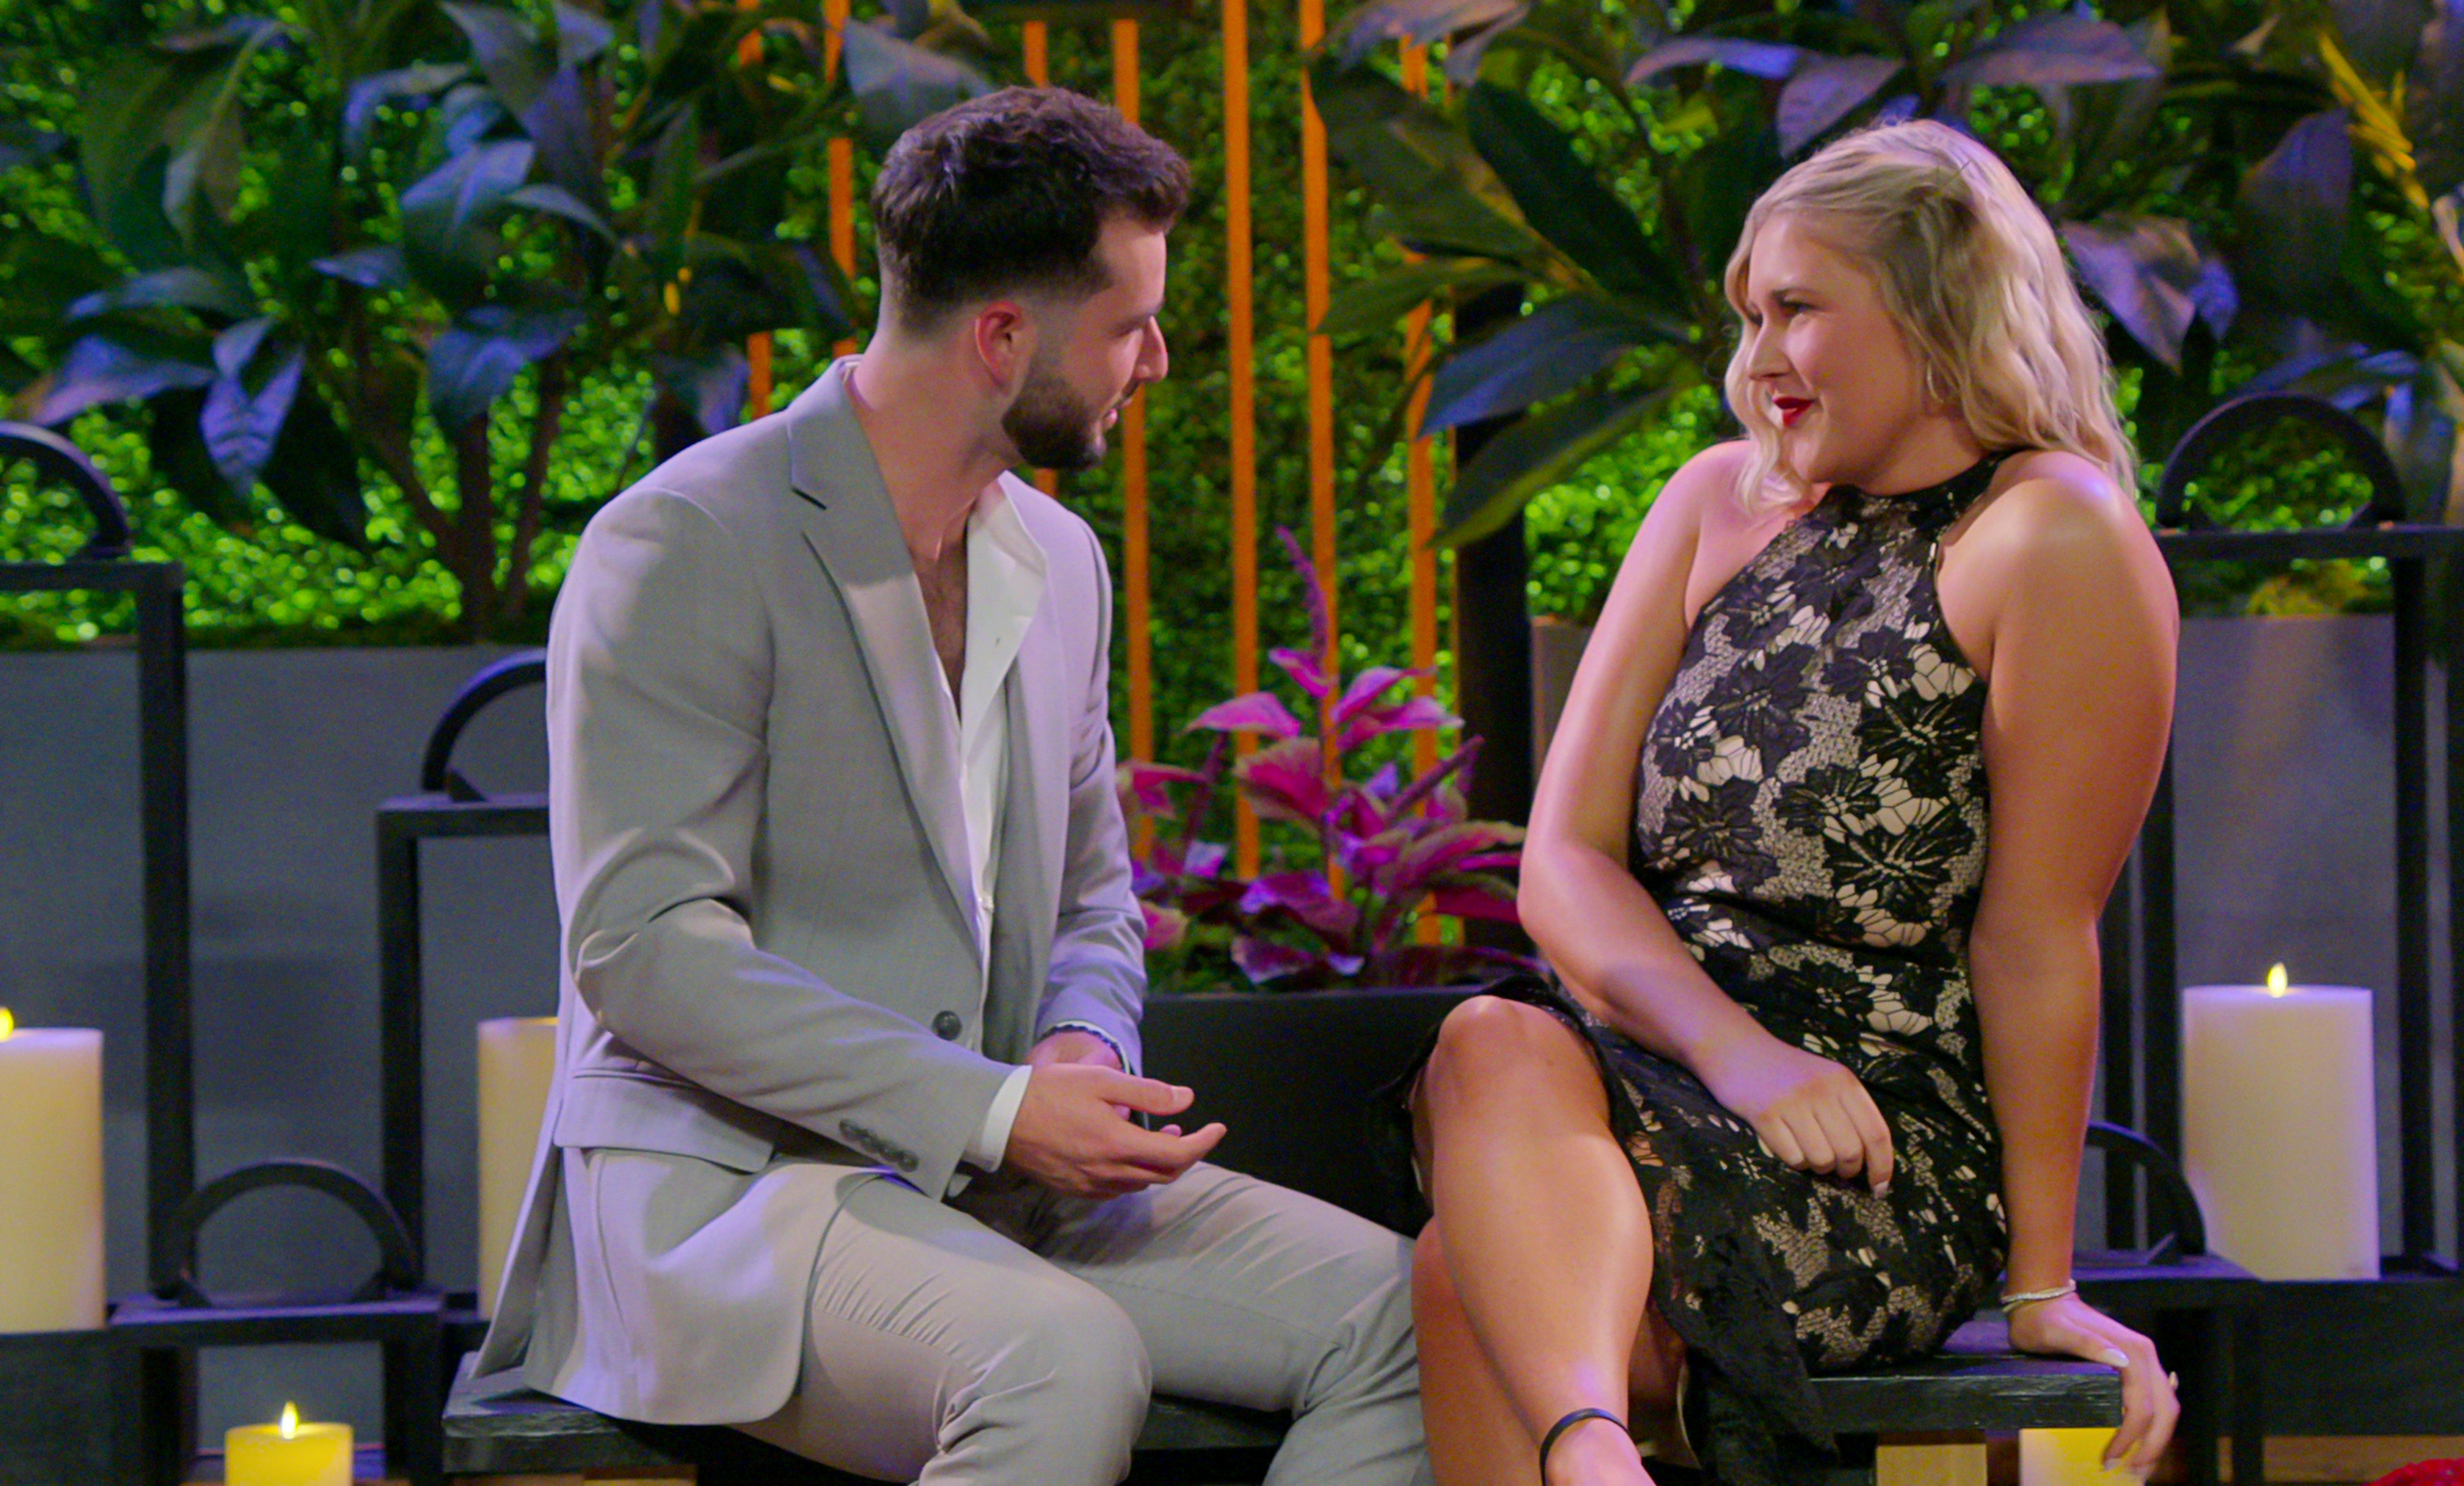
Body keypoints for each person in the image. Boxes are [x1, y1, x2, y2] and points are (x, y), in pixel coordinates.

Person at [472, 87, 1428, 1485]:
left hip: (993, 1177)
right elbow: (643, 950)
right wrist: (985, 1108)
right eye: (1128, 325)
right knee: (1058, 1355)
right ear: (1001, 340)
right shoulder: (684, 541)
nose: (1154, 360)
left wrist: (1078, 1055)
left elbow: (1101, 896)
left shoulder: (1059, 560)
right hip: (724, 1190)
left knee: (1416, 1319)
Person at [1405, 120, 2184, 1486]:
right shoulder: (1714, 502)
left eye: (1798, 310)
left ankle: (1590, 1458)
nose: (1756, 359)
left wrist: (2041, 1285)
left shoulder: (2050, 537)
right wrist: (1737, 1056)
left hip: (1874, 1139)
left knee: (1467, 1281)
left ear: (1940, 309)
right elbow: (1563, 867)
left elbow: (2036, 935)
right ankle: (1598, 1462)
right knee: (1487, 1041)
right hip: (1659, 1067)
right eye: (1747, 315)